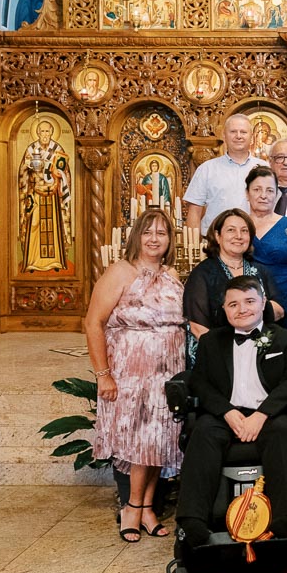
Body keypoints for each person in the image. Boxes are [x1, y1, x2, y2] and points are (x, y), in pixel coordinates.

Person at [175, 275, 287, 546]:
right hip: (225, 415)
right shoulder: (211, 341)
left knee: (281, 432)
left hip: (268, 414)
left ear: (263, 302)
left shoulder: (286, 339)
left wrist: (261, 414)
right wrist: (227, 413)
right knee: (203, 432)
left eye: (249, 301)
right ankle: (192, 522)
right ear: (224, 310)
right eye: (233, 304)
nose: (241, 309)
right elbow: (199, 382)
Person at [86, 208, 184, 542]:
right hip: (132, 374)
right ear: (136, 237)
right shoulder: (120, 272)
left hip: (168, 374)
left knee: (161, 442)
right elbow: (93, 323)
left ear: (170, 239)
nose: (155, 239)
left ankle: (146, 509)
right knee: (141, 444)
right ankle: (131, 507)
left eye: (162, 233)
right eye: (148, 232)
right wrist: (103, 374)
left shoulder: (172, 273)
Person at [183, 208, 284, 367]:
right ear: (217, 236)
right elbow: (197, 327)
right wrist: (229, 355)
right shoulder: (202, 273)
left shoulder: (260, 270)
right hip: (218, 358)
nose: (238, 236)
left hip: (259, 352)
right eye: (231, 230)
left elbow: (279, 310)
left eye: (244, 231)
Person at [182, 114, 266, 234]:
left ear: (252, 137)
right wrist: (193, 247)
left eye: (243, 132)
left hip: (254, 240)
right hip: (214, 242)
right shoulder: (206, 169)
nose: (238, 136)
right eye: (233, 132)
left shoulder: (264, 168)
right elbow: (194, 212)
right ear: (224, 136)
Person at [245, 166, 287, 330]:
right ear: (247, 193)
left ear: (277, 194)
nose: (263, 195)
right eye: (257, 189)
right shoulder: (238, 224)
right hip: (247, 297)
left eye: (269, 190)